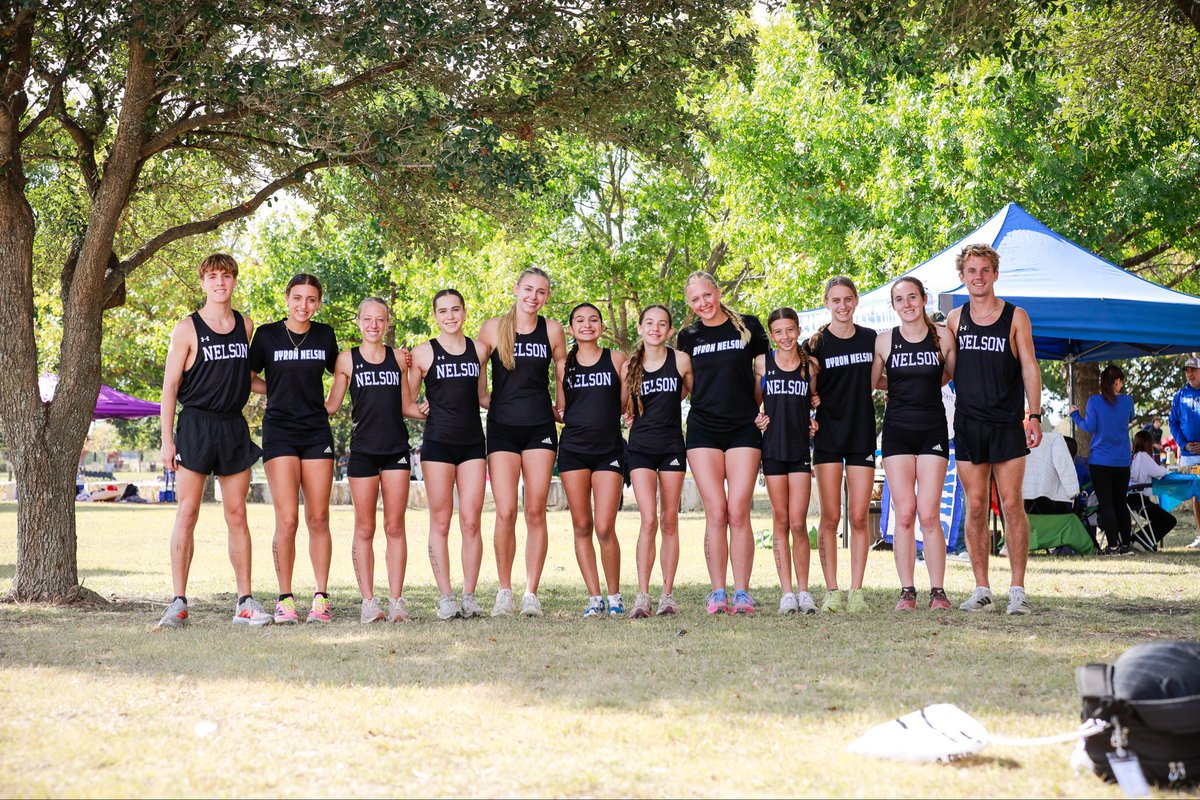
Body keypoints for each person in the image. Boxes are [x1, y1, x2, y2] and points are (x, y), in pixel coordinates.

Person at [157, 253, 271, 628]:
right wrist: (166, 441)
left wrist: (286, 390)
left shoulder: (246, 325)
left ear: (234, 281)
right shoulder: (186, 328)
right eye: (212, 276)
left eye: (226, 276)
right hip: (196, 425)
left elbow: (244, 377)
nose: (220, 282)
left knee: (237, 514)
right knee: (187, 511)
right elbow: (170, 387)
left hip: (232, 426)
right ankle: (177, 602)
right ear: (203, 282)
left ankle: (245, 602)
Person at [946, 243, 1042, 615]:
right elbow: (944, 370)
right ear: (963, 277)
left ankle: (1017, 590)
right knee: (973, 506)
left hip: (1006, 423)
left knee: (1011, 503)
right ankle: (982, 588)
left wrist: (1034, 415)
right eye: (972, 271)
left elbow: (1030, 367)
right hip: (968, 424)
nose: (978, 277)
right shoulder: (955, 319)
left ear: (995, 274)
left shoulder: (1015, 316)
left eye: (985, 270)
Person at [248, 273, 340, 624]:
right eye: (298, 297)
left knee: (318, 518)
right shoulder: (267, 335)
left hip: (316, 431)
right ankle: (285, 598)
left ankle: (320, 597)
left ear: (318, 303)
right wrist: (276, 390)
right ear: (287, 298)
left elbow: (343, 369)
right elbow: (247, 376)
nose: (304, 305)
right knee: (287, 519)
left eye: (311, 299)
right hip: (280, 432)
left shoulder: (325, 335)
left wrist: (332, 402)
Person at [677, 271, 769, 614]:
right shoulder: (687, 336)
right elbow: (684, 385)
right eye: (695, 299)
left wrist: (761, 409)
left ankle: (742, 592)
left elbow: (764, 375)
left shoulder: (748, 325)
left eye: (707, 295)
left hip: (744, 427)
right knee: (715, 511)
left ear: (717, 292)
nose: (703, 303)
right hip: (703, 429)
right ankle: (717, 592)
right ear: (690, 303)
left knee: (738, 510)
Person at [477, 267, 568, 617]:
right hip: (501, 427)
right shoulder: (493, 327)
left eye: (541, 292)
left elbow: (561, 368)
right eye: (528, 289)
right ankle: (504, 591)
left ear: (546, 296)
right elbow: (474, 363)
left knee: (535, 510)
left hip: (540, 427)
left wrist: (562, 405)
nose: (533, 296)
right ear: (516, 288)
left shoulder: (553, 329)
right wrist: (482, 394)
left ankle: (531, 592)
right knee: (505, 510)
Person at [325, 298, 421, 623]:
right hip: (363, 452)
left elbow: (408, 405)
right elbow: (331, 405)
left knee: (395, 526)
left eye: (380, 319)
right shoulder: (346, 360)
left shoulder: (399, 359)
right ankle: (369, 602)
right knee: (364, 527)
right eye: (367, 319)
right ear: (358, 322)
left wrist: (440, 408)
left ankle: (396, 601)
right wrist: (288, 401)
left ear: (387, 322)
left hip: (396, 450)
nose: (373, 325)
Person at [870, 277, 957, 612]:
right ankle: (907, 590)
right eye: (899, 299)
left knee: (929, 514)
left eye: (912, 297)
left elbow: (952, 374)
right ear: (893, 305)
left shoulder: (943, 337)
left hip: (933, 430)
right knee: (904, 513)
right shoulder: (884, 341)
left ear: (923, 299)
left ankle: (938, 591)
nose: (906, 304)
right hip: (896, 434)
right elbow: (873, 381)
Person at [407, 289, 490, 619]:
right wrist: (423, 411)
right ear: (435, 316)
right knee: (440, 520)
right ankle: (447, 597)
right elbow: (407, 402)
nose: (450, 316)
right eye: (443, 311)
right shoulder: (424, 353)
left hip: (472, 444)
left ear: (465, 312)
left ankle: (469, 595)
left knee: (471, 521)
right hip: (438, 445)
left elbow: (483, 395)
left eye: (456, 309)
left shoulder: (479, 350)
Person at [806, 276, 878, 614]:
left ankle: (857, 591)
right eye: (835, 300)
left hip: (862, 433)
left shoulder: (871, 339)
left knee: (859, 517)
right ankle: (832, 589)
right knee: (831, 516)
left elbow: (883, 379)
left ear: (856, 301)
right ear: (826, 303)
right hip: (828, 436)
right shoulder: (815, 343)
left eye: (848, 299)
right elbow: (800, 384)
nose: (842, 305)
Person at [556, 303, 628, 617]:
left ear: (601, 326)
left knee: (604, 526)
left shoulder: (617, 359)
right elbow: (561, 407)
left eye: (593, 320)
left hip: (609, 449)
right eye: (580, 321)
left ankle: (615, 597)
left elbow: (625, 404)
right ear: (571, 328)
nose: (587, 325)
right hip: (573, 449)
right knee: (582, 525)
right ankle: (594, 597)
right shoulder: (562, 366)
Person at [623, 305, 692, 618]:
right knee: (648, 519)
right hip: (640, 448)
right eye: (649, 323)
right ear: (640, 328)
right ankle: (642, 595)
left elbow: (689, 393)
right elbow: (625, 406)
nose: (654, 328)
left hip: (672, 446)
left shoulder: (680, 360)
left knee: (669, 520)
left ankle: (667, 595)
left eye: (661, 324)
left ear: (669, 330)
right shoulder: (629, 366)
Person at [755, 307, 820, 615]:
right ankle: (786, 593)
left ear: (798, 329)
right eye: (778, 332)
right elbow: (754, 402)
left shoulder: (810, 367)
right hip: (772, 451)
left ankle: (804, 592)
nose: (785, 336)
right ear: (771, 335)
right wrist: (758, 418)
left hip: (798, 452)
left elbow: (814, 403)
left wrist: (814, 419)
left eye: (790, 330)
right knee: (780, 521)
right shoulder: (762, 363)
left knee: (798, 523)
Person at [1070, 364, 1135, 555]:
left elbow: (1089, 427)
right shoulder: (1128, 401)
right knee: (1120, 503)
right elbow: (1129, 419)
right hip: (1122, 461)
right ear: (1116, 382)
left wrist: (1075, 415)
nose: (1122, 384)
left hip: (1100, 461)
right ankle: (1126, 545)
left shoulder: (1094, 402)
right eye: (1121, 380)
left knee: (1106, 504)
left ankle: (1112, 546)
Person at [1169, 356, 1200, 547]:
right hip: (1191, 457)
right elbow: (1173, 423)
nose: (1189, 374)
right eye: (1187, 371)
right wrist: (1184, 445)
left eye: (1193, 370)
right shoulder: (1179, 396)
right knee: (1198, 493)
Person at [1128, 429, 1177, 546]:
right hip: (1139, 500)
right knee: (1169, 520)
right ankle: (1138, 541)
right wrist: (1169, 470)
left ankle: (1138, 540)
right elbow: (1159, 472)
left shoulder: (1134, 457)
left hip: (1130, 498)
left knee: (1160, 519)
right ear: (1147, 443)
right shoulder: (1143, 456)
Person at [1022, 425, 1080, 516]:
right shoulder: (1055, 439)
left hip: (1024, 495)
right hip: (1052, 496)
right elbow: (1063, 465)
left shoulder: (1014, 440)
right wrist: (1073, 492)